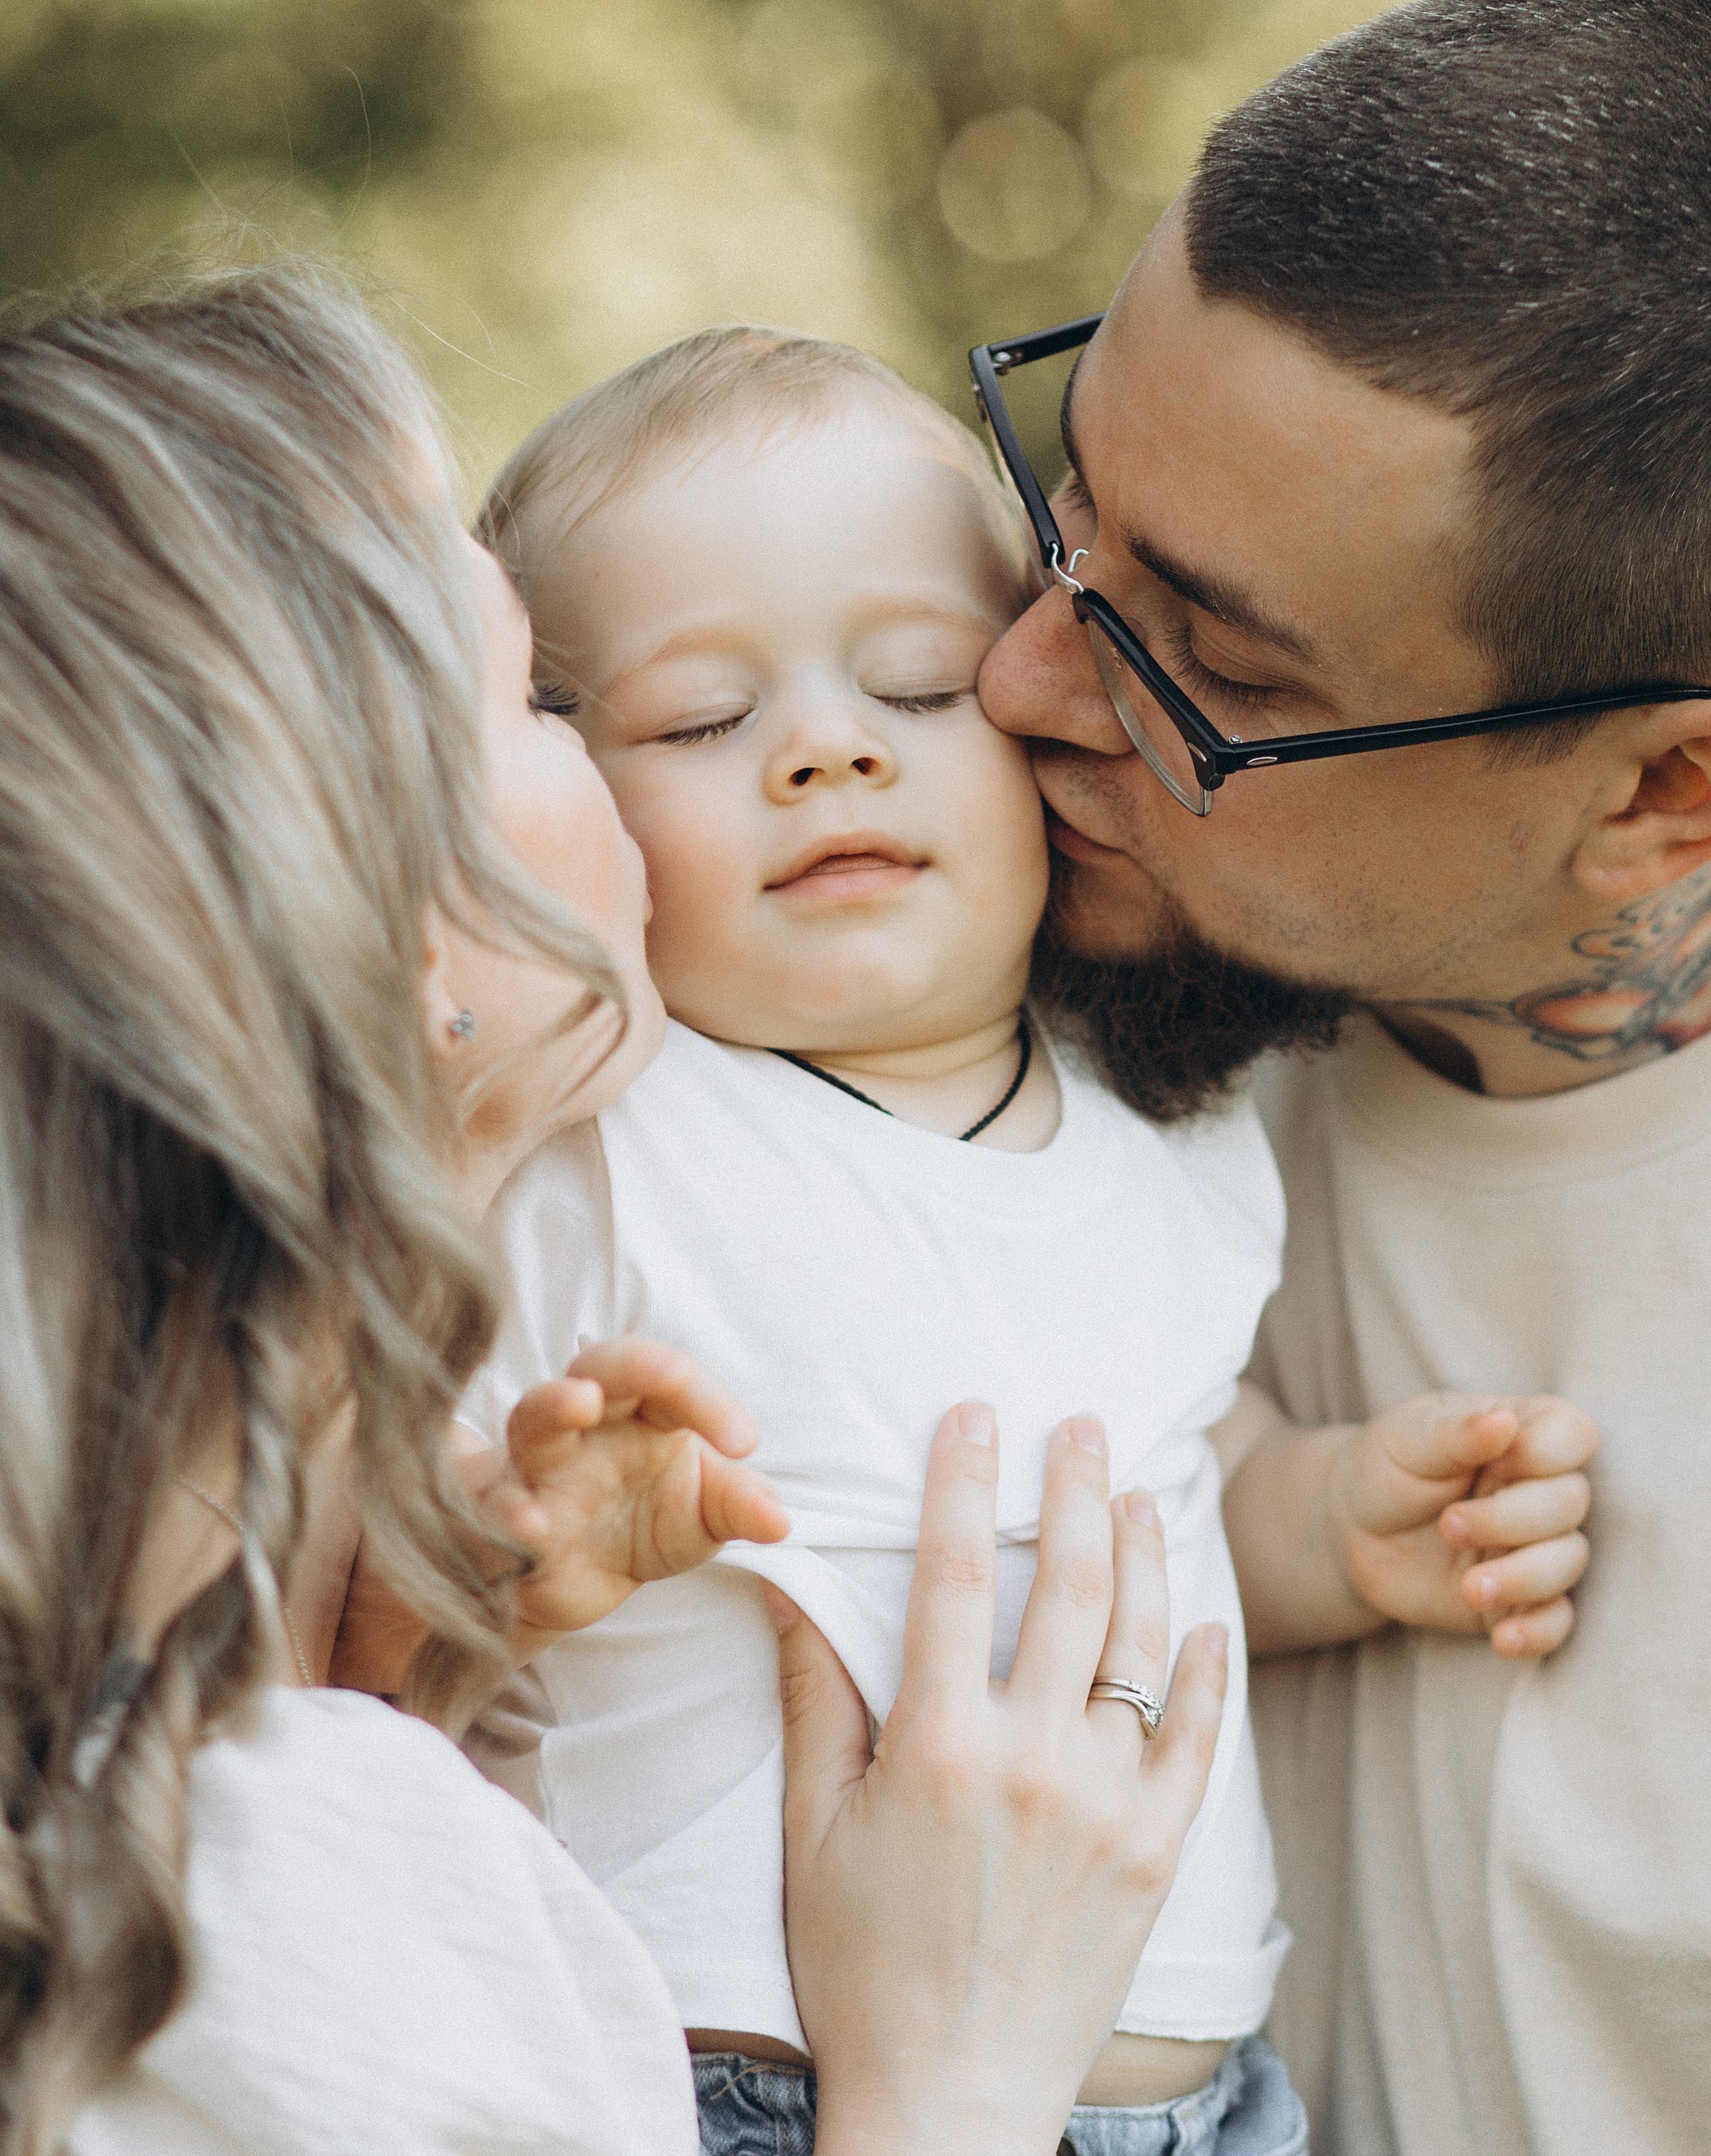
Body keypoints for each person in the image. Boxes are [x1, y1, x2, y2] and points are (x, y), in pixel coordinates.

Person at [0, 263, 1234, 2156]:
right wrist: (951, 2088)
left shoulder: (275, 1769)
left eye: (910, 683)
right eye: (533, 699)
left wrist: (438, 1656)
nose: (824, 752)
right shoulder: (230, 1897)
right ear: (379, 905)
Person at [465, 325, 1594, 2153]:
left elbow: (1163, 1468)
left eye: (915, 687)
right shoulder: (605, 1131)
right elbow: (364, 1569)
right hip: (732, 2084)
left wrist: (1336, 1522)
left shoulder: (1175, 1128)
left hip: (1208, 2095)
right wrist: (512, 1538)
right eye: (700, 720)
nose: (826, 750)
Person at [972, 3, 1711, 2151]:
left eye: (1205, 664)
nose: (1020, 674)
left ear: (1666, 794)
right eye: (1069, 501)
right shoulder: (943, 1023)